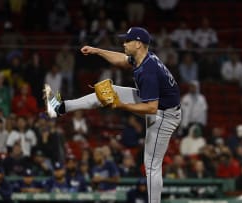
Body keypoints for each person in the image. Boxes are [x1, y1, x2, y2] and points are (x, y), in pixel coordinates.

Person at [44, 27, 181, 203]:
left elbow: (151, 109)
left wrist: (121, 105)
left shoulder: (148, 70)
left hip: (165, 116)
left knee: (152, 165)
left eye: (127, 40)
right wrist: (96, 50)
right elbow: (122, 60)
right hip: (159, 106)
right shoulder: (143, 57)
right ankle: (60, 108)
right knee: (111, 91)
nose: (123, 43)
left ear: (138, 44)